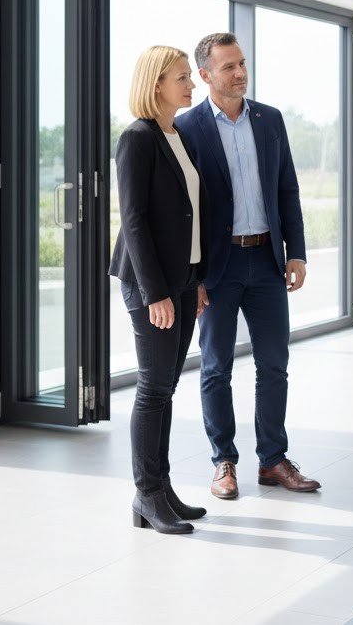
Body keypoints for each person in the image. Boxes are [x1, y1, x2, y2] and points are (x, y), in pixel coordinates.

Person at [175, 32, 320, 500]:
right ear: (205, 75)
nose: (239, 73)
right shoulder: (187, 127)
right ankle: (224, 462)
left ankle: (273, 460)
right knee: (215, 367)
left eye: (242, 64)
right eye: (228, 67)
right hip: (218, 266)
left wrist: (294, 251)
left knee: (274, 363)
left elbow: (287, 190)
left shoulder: (270, 119)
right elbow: (184, 210)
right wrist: (192, 276)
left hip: (265, 259)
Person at [109, 45, 211, 535]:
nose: (191, 85)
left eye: (189, 76)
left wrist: (198, 278)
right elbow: (132, 220)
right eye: (182, 77)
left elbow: (192, 214)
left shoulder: (179, 136)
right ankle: (147, 494)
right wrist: (155, 293)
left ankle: (160, 489)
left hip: (184, 280)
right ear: (156, 86)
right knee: (153, 388)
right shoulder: (138, 138)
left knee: (166, 387)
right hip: (152, 286)